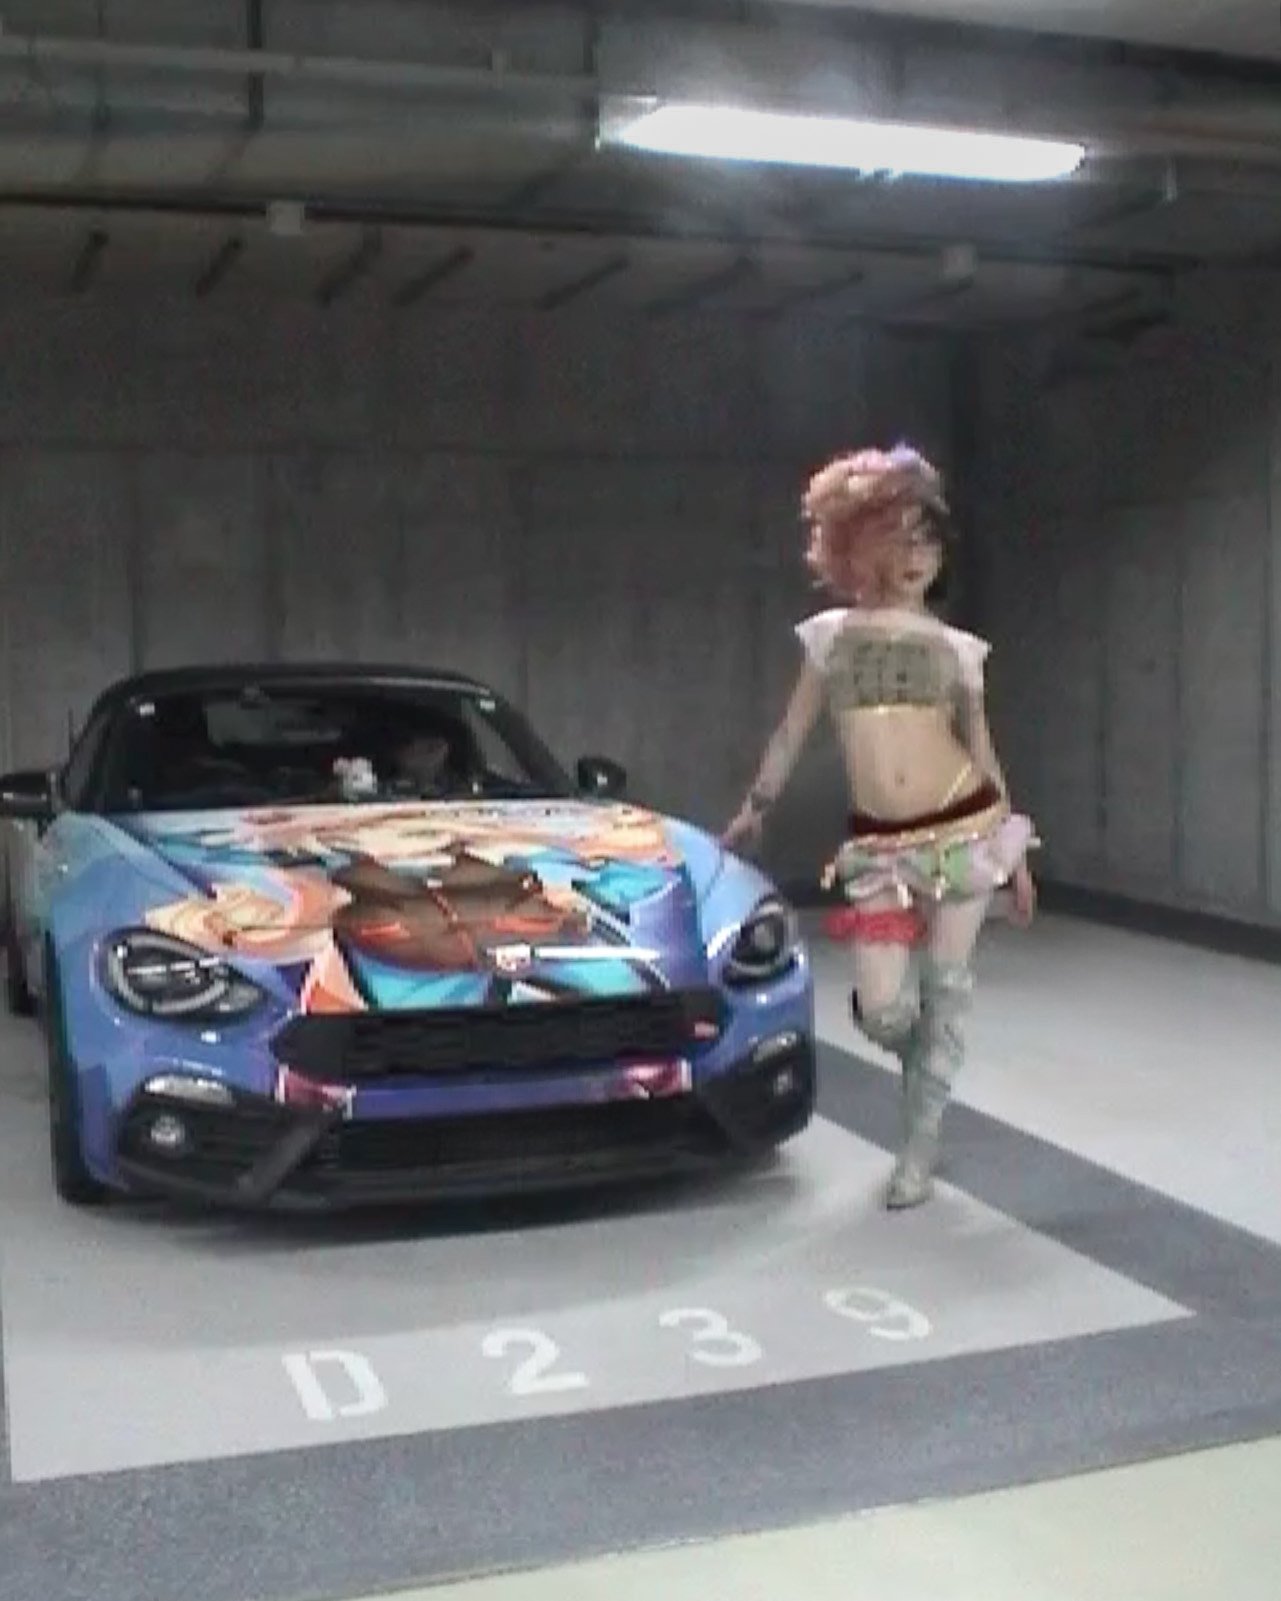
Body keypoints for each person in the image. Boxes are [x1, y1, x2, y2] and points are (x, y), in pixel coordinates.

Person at [723, 444, 1037, 1210]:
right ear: (857, 543)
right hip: (879, 851)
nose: (914, 556)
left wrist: (1017, 855)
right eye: (897, 538)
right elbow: (792, 731)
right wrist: (756, 804)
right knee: (885, 1007)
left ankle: (917, 1154)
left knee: (947, 989)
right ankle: (923, 1058)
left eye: (927, 540)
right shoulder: (830, 636)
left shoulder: (959, 650)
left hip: (963, 831)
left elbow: (982, 750)